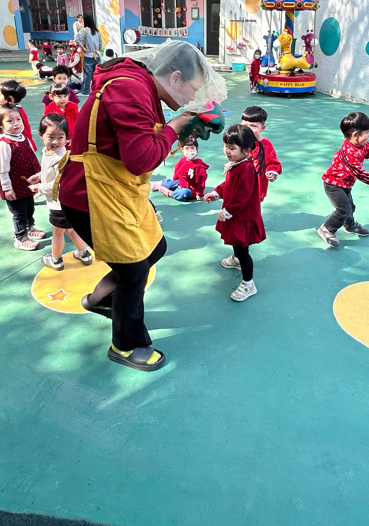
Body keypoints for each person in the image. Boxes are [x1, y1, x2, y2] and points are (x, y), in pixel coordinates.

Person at [57, 39, 224, 371]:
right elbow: (140, 159)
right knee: (133, 270)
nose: (191, 97)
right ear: (174, 77)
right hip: (91, 194)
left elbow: (137, 142)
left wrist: (179, 130)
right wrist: (176, 126)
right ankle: (126, 345)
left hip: (115, 190)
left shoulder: (140, 85)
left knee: (154, 248)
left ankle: (102, 299)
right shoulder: (131, 88)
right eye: (192, 89)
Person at [204, 125, 265, 302]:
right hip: (237, 215)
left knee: (242, 248)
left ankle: (248, 283)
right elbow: (230, 185)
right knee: (237, 243)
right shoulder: (237, 165)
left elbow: (242, 196)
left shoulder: (245, 168)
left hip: (241, 216)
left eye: (232, 148)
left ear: (246, 150)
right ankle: (237, 259)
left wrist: (227, 211)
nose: (227, 151)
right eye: (225, 146)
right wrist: (217, 192)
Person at [29, 112, 93, 271]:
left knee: (57, 232)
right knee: (69, 229)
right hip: (62, 202)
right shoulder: (49, 152)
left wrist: (39, 188)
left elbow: (59, 182)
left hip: (60, 203)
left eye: (60, 137)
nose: (55, 141)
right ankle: (84, 253)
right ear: (41, 135)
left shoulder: (61, 157)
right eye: (50, 137)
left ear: (67, 138)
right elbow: (50, 173)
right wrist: (39, 176)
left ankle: (56, 260)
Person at [317, 111, 369, 248]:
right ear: (355, 135)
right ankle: (327, 229)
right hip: (333, 185)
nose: (368, 136)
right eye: (367, 133)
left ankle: (349, 225)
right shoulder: (349, 152)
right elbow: (359, 173)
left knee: (350, 207)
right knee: (343, 209)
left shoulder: (361, 145)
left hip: (345, 184)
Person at [0, 103, 46, 251]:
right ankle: (20, 237)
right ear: (0, 125)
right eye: (10, 121)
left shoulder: (24, 138)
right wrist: (7, 188)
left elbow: (31, 158)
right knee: (19, 212)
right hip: (14, 185)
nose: (16, 123)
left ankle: (29, 227)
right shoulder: (3, 144)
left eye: (18, 119)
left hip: (27, 183)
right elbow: (3, 170)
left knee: (29, 207)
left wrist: (39, 175)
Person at [241, 106, 281, 201]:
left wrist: (272, 171)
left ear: (262, 128)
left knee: (254, 207)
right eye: (244, 125)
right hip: (240, 184)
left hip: (257, 187)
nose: (248, 129)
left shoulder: (266, 145)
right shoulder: (239, 141)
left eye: (253, 126)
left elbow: (273, 162)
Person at [151, 136, 208, 201]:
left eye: (192, 148)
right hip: (179, 182)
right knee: (170, 183)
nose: (190, 151)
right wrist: (173, 182)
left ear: (196, 148)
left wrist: (199, 193)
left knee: (184, 193)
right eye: (187, 148)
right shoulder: (182, 161)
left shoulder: (199, 166)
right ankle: (160, 184)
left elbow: (200, 182)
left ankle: (169, 193)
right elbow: (176, 172)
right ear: (182, 150)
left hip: (190, 188)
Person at [0, 79, 34, 145]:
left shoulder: (15, 112)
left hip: (20, 142)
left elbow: (17, 128)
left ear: (10, 99)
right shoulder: (15, 109)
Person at [76, 16, 101, 95]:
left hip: (88, 55)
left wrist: (83, 48)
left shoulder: (84, 30)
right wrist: (98, 51)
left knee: (87, 74)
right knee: (96, 74)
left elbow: (77, 40)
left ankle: (85, 91)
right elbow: (100, 44)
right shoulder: (97, 32)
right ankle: (96, 89)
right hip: (97, 55)